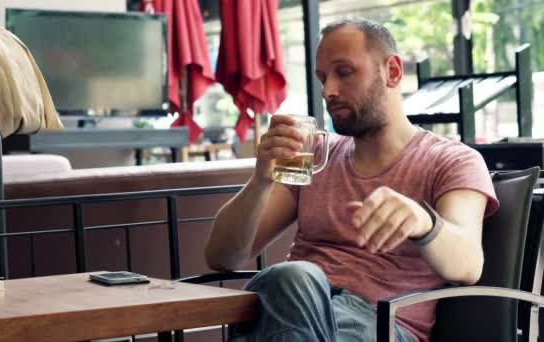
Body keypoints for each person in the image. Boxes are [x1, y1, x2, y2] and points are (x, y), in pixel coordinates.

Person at [205, 17, 499, 342]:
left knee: (289, 281)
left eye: (344, 72)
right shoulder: (315, 155)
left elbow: (468, 265)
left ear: (393, 72)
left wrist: (423, 221)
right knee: (290, 280)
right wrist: (261, 179)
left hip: (378, 323)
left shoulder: (451, 160)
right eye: (322, 78)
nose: (328, 91)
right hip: (294, 307)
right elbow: (222, 256)